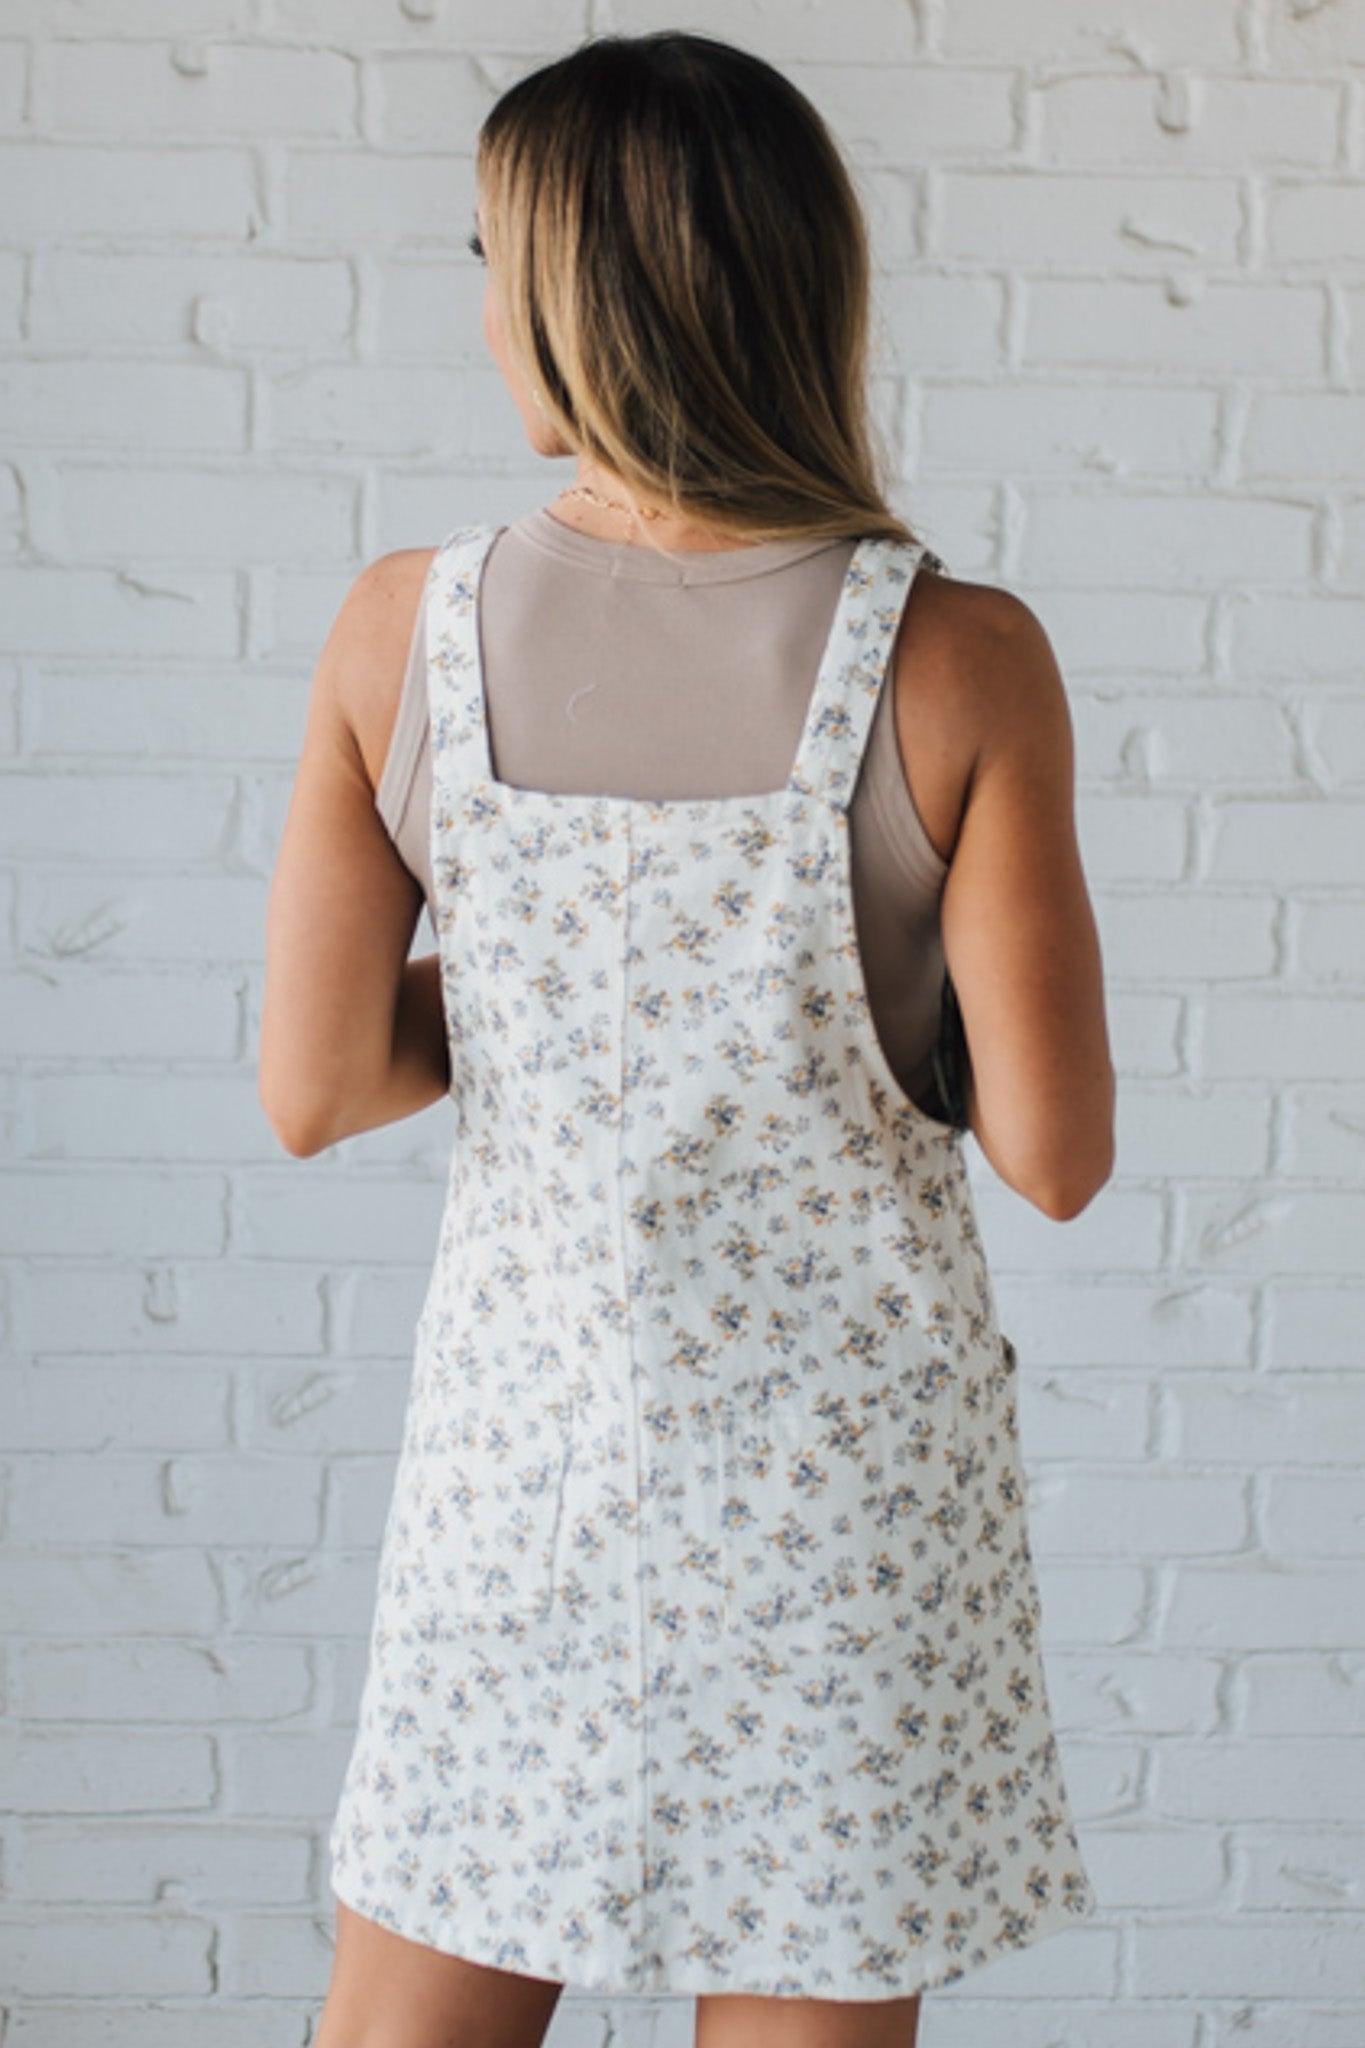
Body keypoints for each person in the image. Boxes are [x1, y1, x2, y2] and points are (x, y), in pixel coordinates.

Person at [258, 28, 1115, 2048]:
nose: (477, 310)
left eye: (489, 259)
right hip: (842, 1499)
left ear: (563, 300)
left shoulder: (406, 628)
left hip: (527, 1468)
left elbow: (318, 1087)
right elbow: (1050, 1151)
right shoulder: (952, 652)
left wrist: (563, 982)